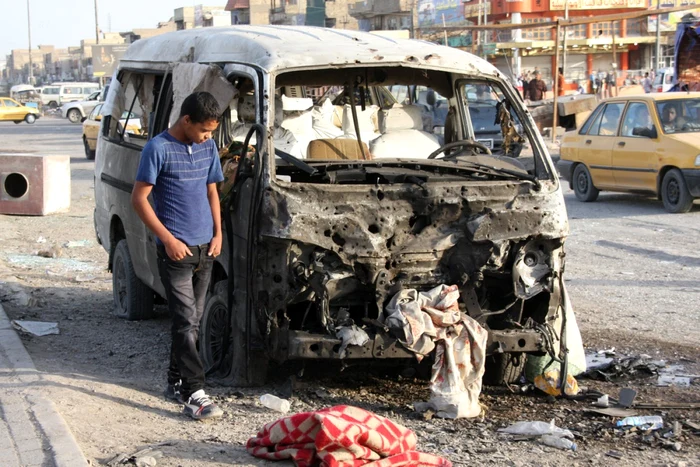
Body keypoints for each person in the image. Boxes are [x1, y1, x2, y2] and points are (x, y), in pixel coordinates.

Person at [131, 92, 225, 421]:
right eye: (204, 130)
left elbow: (212, 189)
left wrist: (218, 233)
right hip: (176, 253)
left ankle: (174, 381)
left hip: (206, 251)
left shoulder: (208, 148)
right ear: (186, 121)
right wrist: (168, 239)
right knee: (186, 322)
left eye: (211, 132)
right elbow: (139, 199)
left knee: (191, 325)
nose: (208, 137)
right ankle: (194, 393)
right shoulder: (157, 149)